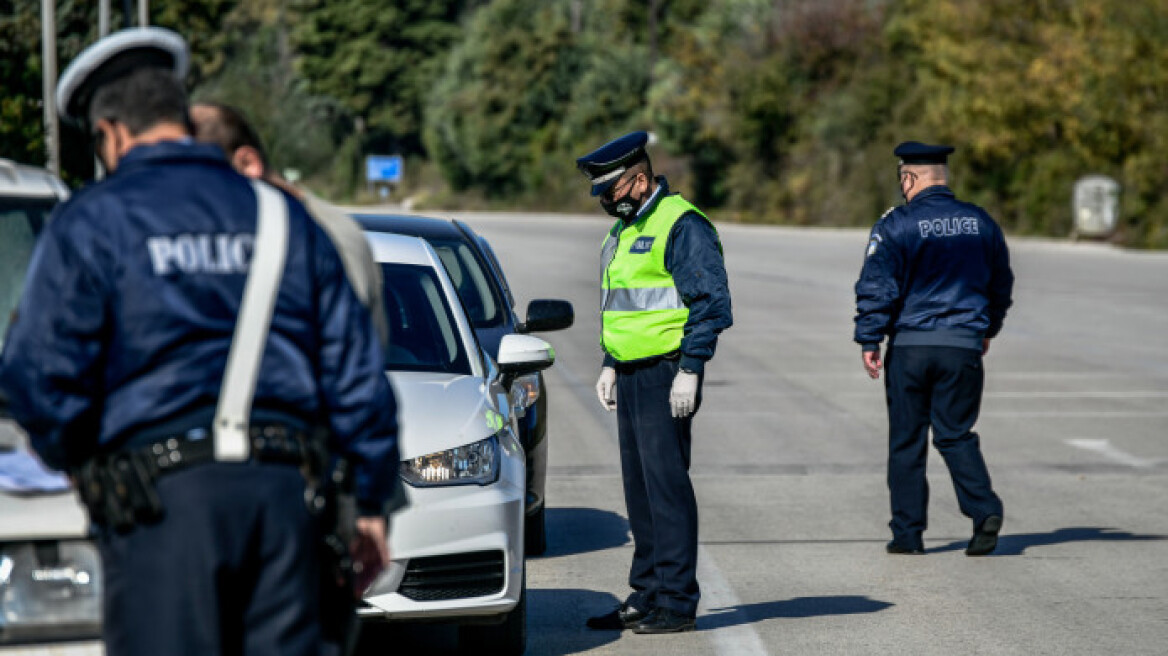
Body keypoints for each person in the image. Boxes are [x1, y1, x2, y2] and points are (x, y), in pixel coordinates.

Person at [0, 28, 399, 655]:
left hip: (156, 510)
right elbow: (356, 374)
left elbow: (33, 376)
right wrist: (370, 501)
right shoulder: (280, 215)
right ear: (178, 114)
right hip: (285, 502)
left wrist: (83, 461)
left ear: (111, 132)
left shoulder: (93, 219)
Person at [578, 131, 732, 634]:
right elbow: (623, 304)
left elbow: (711, 303)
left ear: (639, 180)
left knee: (666, 488)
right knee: (640, 490)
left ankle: (676, 600)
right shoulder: (623, 229)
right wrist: (608, 361)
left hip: (667, 371)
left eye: (612, 191)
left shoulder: (681, 225)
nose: (606, 202)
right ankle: (646, 592)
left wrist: (690, 368)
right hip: (630, 370)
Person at [853, 141, 1014, 557]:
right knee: (955, 434)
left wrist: (870, 337)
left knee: (907, 441)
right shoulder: (981, 222)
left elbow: (877, 285)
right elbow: (1001, 283)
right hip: (962, 346)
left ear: (909, 178)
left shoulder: (896, 224)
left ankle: (908, 534)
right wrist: (987, 328)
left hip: (910, 347)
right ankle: (984, 510)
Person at [188, 101, 390, 348]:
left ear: (248, 164)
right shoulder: (227, 232)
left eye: (204, 178)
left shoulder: (327, 234)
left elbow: (351, 359)